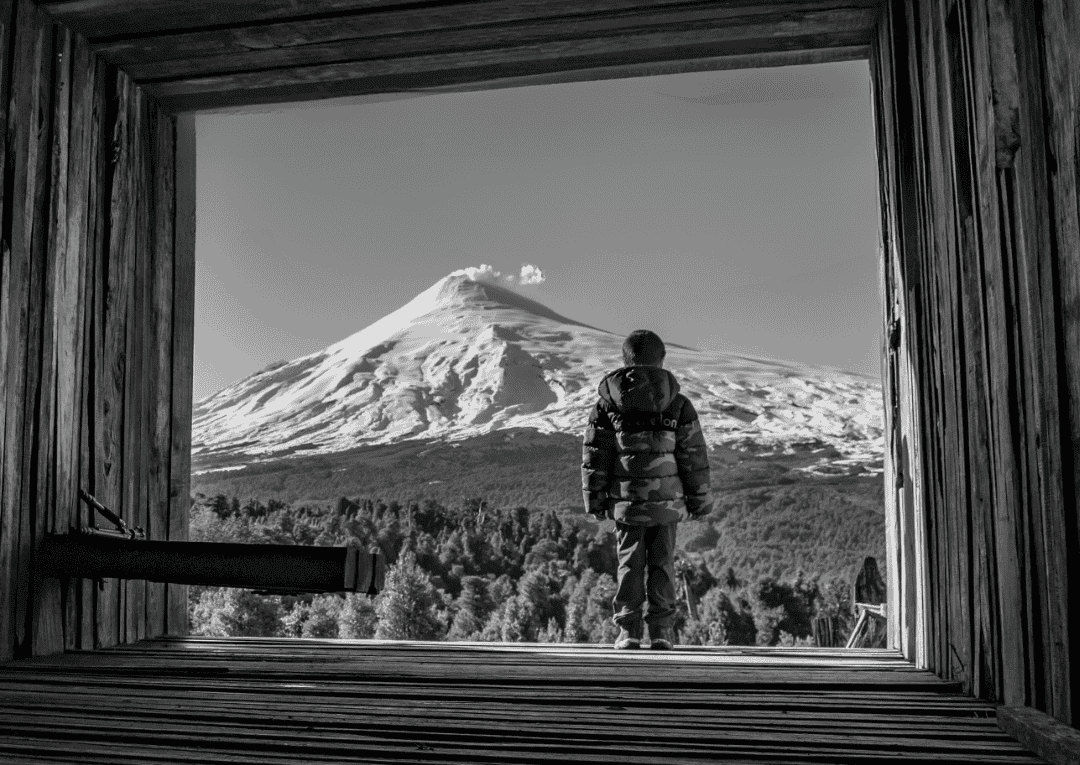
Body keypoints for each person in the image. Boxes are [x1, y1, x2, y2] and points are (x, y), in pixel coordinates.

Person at [581, 329, 712, 650]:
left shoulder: (607, 405)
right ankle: (661, 632)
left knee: (629, 563)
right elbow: (693, 457)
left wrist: (595, 501)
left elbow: (595, 458)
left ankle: (628, 632)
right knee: (662, 563)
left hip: (627, 504)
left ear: (625, 361)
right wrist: (699, 501)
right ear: (662, 360)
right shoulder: (679, 405)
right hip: (666, 504)